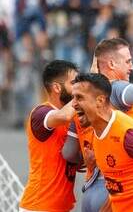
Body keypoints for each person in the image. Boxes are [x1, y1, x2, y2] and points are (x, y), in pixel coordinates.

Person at [62, 38, 133, 211]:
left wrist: (85, 160)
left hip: (92, 189)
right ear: (112, 64)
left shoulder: (81, 100)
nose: (132, 67)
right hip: (121, 191)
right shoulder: (115, 88)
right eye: (128, 61)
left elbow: (68, 152)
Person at [19, 60, 78, 212]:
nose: (77, 88)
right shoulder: (40, 113)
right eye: (74, 83)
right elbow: (63, 116)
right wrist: (83, 93)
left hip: (59, 207)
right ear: (57, 87)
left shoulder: (73, 115)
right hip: (38, 206)